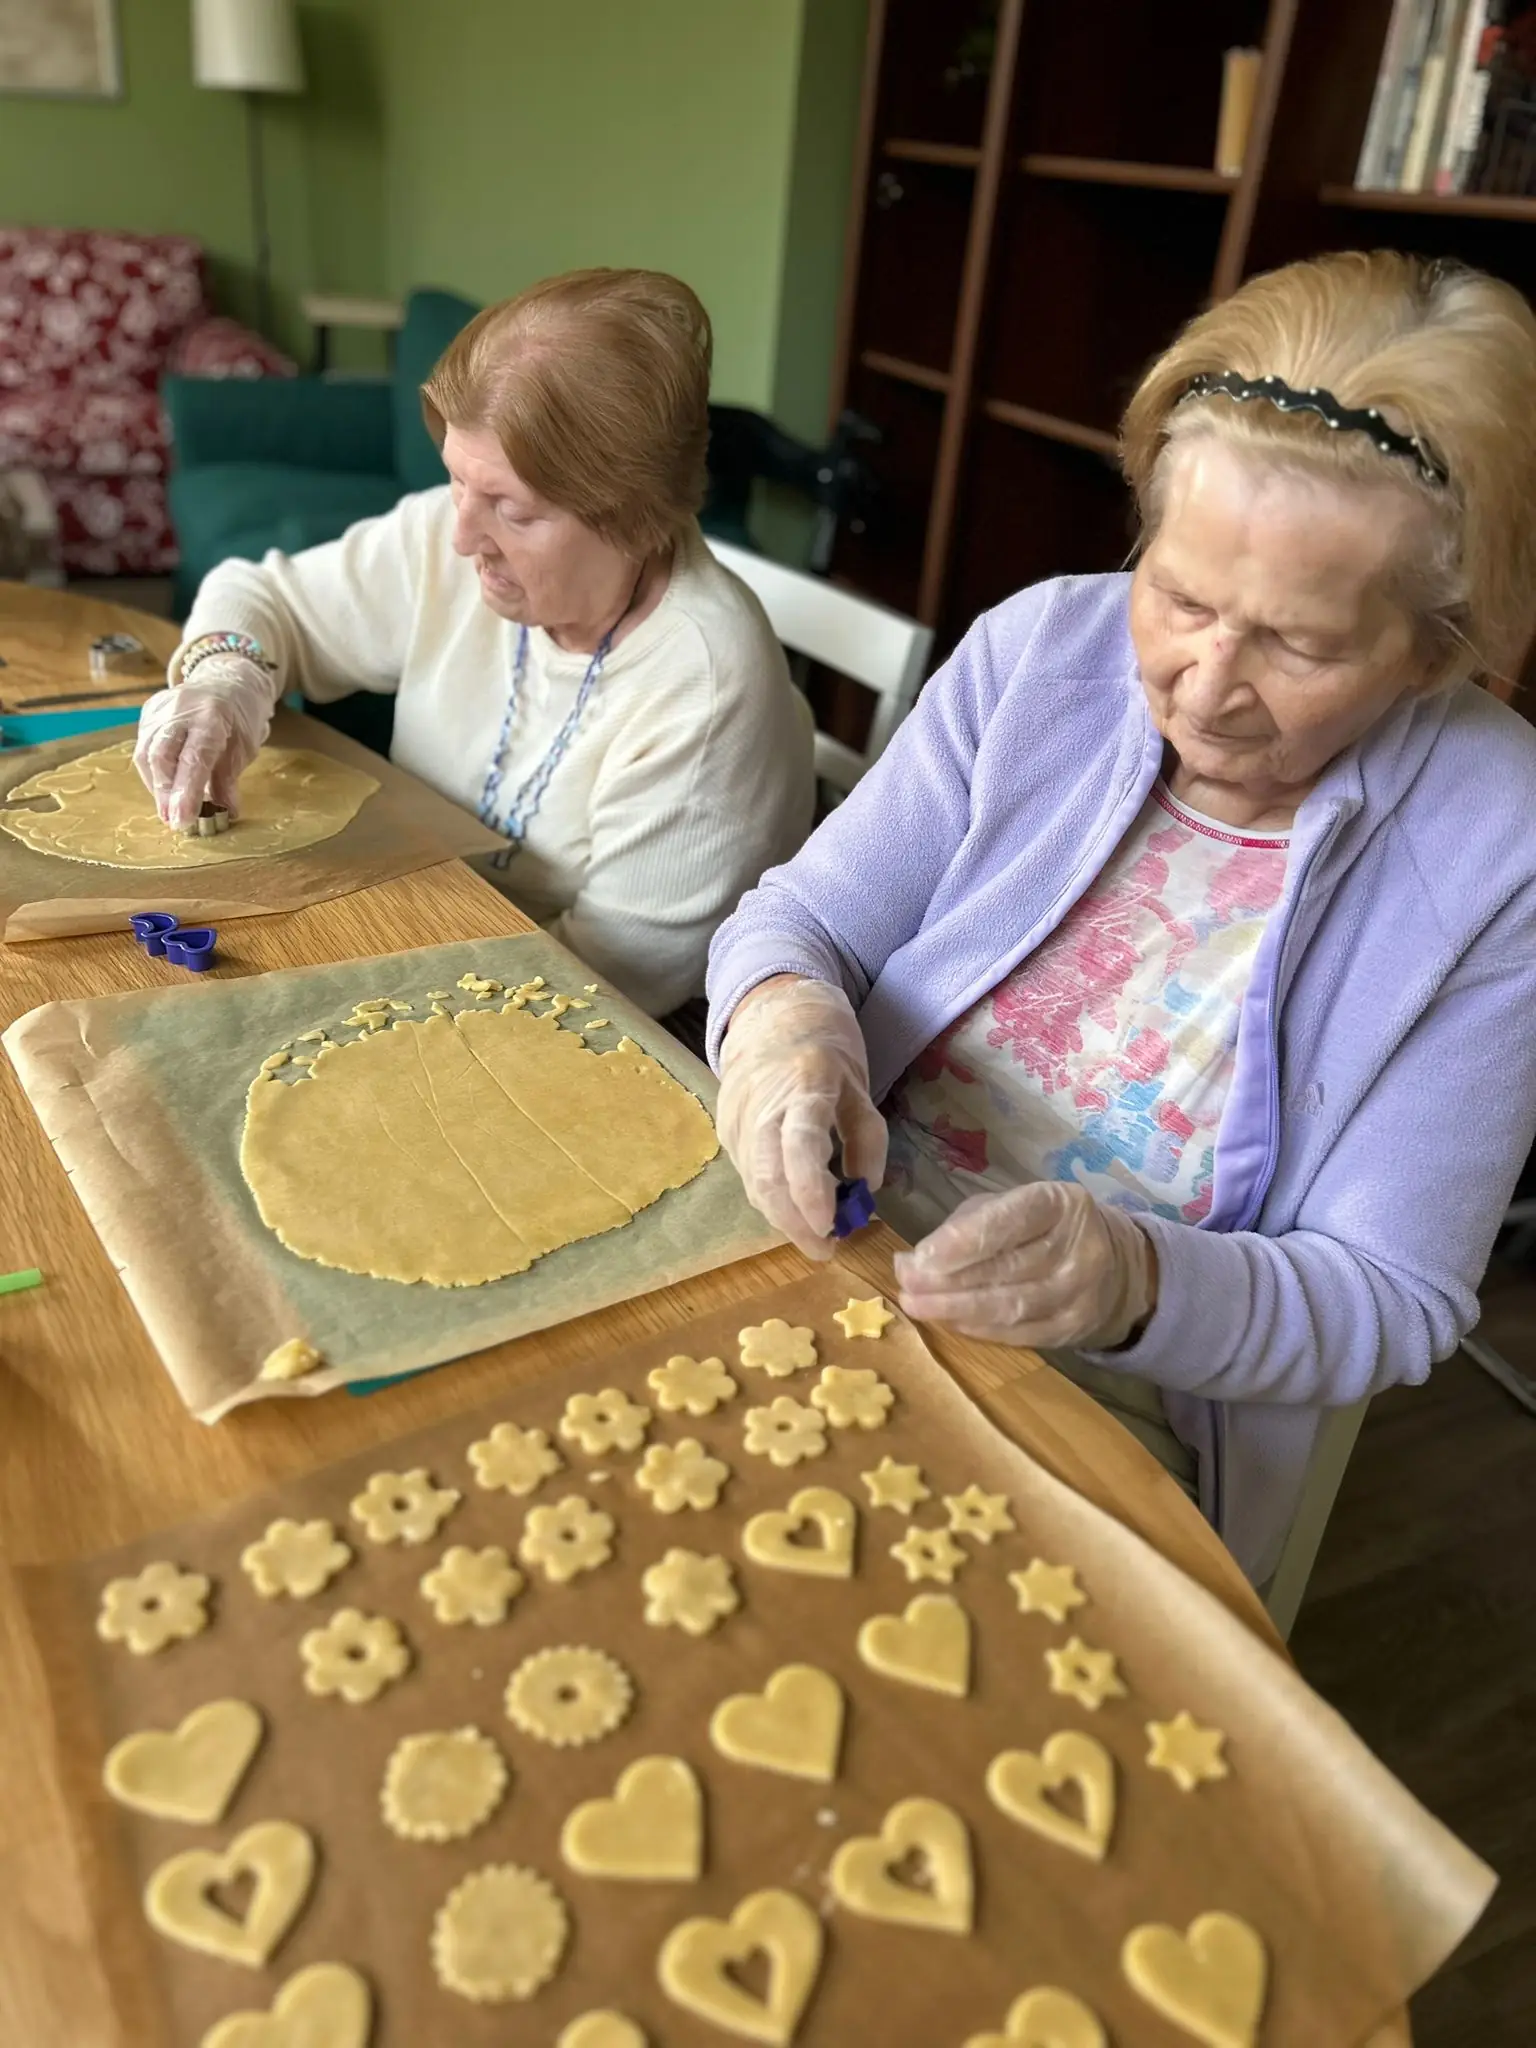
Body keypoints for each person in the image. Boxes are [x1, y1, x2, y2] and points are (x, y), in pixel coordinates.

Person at [706, 250, 1536, 1585]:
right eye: (1181, 596)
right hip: (827, 1238)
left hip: (1099, 1392)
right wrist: (788, 1036)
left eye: (1300, 644)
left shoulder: (1501, 848)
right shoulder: (1041, 651)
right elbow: (804, 919)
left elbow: (1390, 1292)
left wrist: (1135, 1279)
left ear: (1439, 649)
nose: (1205, 685)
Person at [134, 269, 813, 1018]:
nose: (462, 537)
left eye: (512, 511)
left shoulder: (704, 689)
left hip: (581, 1026)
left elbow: (599, 988)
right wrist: (224, 678)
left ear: (636, 518)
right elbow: (268, 598)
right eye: (458, 480)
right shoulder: (446, 537)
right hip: (424, 930)